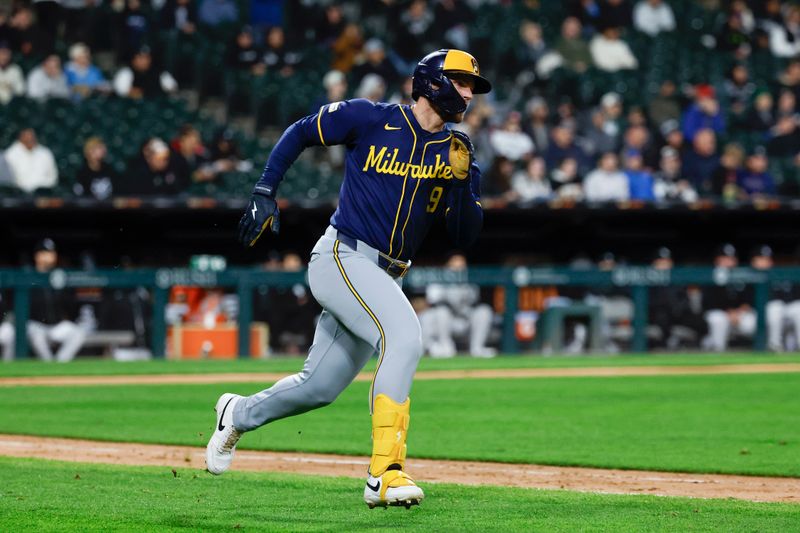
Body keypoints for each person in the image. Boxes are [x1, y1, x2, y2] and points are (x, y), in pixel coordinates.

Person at [208, 48, 491, 509]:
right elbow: (300, 132)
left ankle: (236, 412)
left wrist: (464, 186)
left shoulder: (456, 153)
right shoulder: (370, 117)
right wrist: (264, 190)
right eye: (460, 82)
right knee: (403, 338)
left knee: (319, 387)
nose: (467, 93)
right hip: (343, 255)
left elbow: (464, 235)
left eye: (471, 87)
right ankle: (385, 472)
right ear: (432, 81)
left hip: (389, 276)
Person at [418, 253, 495, 359]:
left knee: (484, 311)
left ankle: (477, 348)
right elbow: (433, 299)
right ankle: (445, 346)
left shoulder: (468, 281)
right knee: (441, 311)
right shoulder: (439, 279)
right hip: (441, 324)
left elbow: (473, 301)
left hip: (462, 320)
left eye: (461, 266)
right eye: (455, 267)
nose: (458, 270)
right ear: (447, 266)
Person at [26, 239, 89, 362]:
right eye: (45, 253)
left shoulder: (59, 276)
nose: (49, 256)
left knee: (79, 333)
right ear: (37, 256)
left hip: (56, 326)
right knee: (35, 333)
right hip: (36, 326)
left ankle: (60, 363)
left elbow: (71, 304)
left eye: (51, 253)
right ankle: (48, 364)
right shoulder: (29, 276)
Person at [4, 128, 58, 193]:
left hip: (43, 193)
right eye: (26, 136)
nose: (30, 139)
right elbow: (10, 180)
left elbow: (53, 176)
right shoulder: (9, 154)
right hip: (18, 194)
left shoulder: (45, 153)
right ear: (20, 137)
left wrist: (42, 188)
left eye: (32, 137)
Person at [113, 47, 178, 99]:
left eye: (146, 58)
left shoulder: (160, 73)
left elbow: (172, 88)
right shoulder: (125, 72)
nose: (143, 61)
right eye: (140, 58)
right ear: (133, 59)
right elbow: (123, 91)